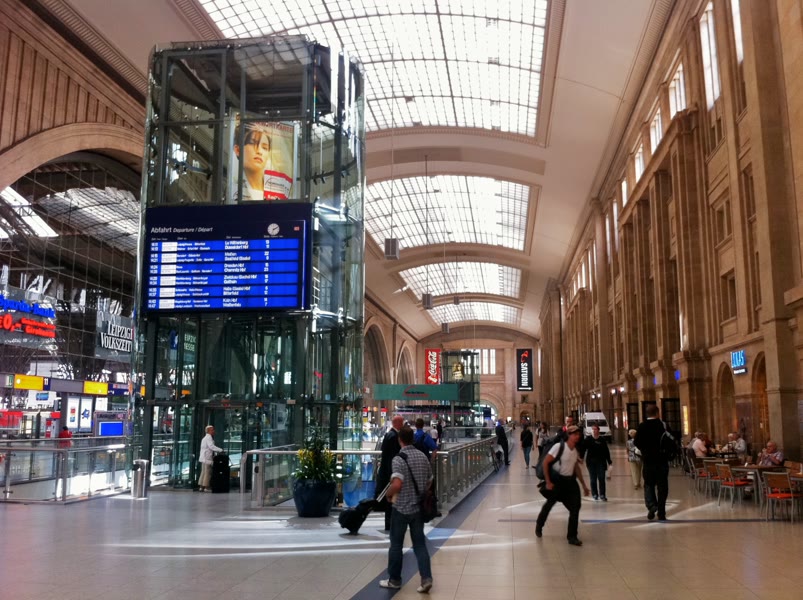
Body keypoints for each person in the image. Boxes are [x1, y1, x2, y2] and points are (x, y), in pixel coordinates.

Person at [379, 426, 434, 593]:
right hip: (418, 509)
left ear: (399, 440)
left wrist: (388, 494)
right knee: (420, 545)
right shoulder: (422, 456)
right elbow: (430, 480)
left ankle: (394, 579)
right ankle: (426, 578)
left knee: (396, 545)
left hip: (401, 508)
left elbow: (397, 484)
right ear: (413, 439)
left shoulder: (398, 459)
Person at [535, 425, 590, 546]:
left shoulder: (575, 450)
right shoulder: (559, 447)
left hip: (571, 482)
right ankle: (539, 524)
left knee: (575, 508)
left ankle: (572, 536)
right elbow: (545, 463)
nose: (577, 437)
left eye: (578, 434)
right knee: (549, 504)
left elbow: (576, 468)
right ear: (568, 435)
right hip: (558, 481)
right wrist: (548, 482)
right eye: (574, 434)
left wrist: (584, 485)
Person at [634, 404, 672, 521]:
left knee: (649, 485)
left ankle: (651, 505)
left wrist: (645, 451)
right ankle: (661, 512)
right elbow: (671, 441)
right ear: (657, 413)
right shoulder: (663, 425)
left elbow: (636, 442)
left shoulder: (642, 426)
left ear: (647, 414)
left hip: (648, 461)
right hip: (661, 461)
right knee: (662, 487)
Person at [376, 415, 403, 530]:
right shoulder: (393, 437)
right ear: (397, 423)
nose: (403, 424)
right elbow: (392, 457)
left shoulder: (389, 434)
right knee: (391, 501)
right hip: (390, 473)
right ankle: (390, 523)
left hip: (387, 472)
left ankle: (390, 523)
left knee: (390, 500)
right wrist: (393, 473)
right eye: (401, 422)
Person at [584, 424, 612, 501]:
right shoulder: (588, 439)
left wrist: (609, 461)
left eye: (595, 429)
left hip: (601, 462)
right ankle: (595, 494)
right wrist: (580, 457)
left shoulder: (602, 440)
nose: (593, 431)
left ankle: (602, 494)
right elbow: (583, 448)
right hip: (591, 463)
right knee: (593, 479)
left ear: (598, 430)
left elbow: (606, 451)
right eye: (592, 429)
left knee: (601, 478)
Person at [197, 425, 222, 492]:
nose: (214, 431)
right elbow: (211, 446)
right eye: (212, 430)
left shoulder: (204, 438)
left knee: (203, 472)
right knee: (208, 472)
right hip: (207, 458)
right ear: (208, 431)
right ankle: (206, 487)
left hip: (203, 458)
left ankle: (201, 487)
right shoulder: (209, 438)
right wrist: (220, 450)